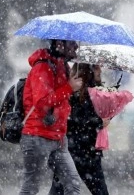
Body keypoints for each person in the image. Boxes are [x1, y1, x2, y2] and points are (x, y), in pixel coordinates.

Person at [19, 39, 83, 195]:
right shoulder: (43, 67)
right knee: (31, 187)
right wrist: (69, 88)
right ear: (59, 44)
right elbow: (42, 103)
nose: (76, 46)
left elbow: (63, 101)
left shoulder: (62, 67)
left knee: (73, 185)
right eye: (72, 43)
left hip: (58, 137)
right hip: (37, 135)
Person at [49, 63, 110, 195]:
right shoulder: (74, 93)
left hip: (80, 151)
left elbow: (96, 112)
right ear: (88, 72)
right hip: (80, 152)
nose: (100, 70)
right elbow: (74, 120)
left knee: (59, 189)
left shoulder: (93, 92)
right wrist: (99, 122)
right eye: (96, 68)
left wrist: (103, 119)